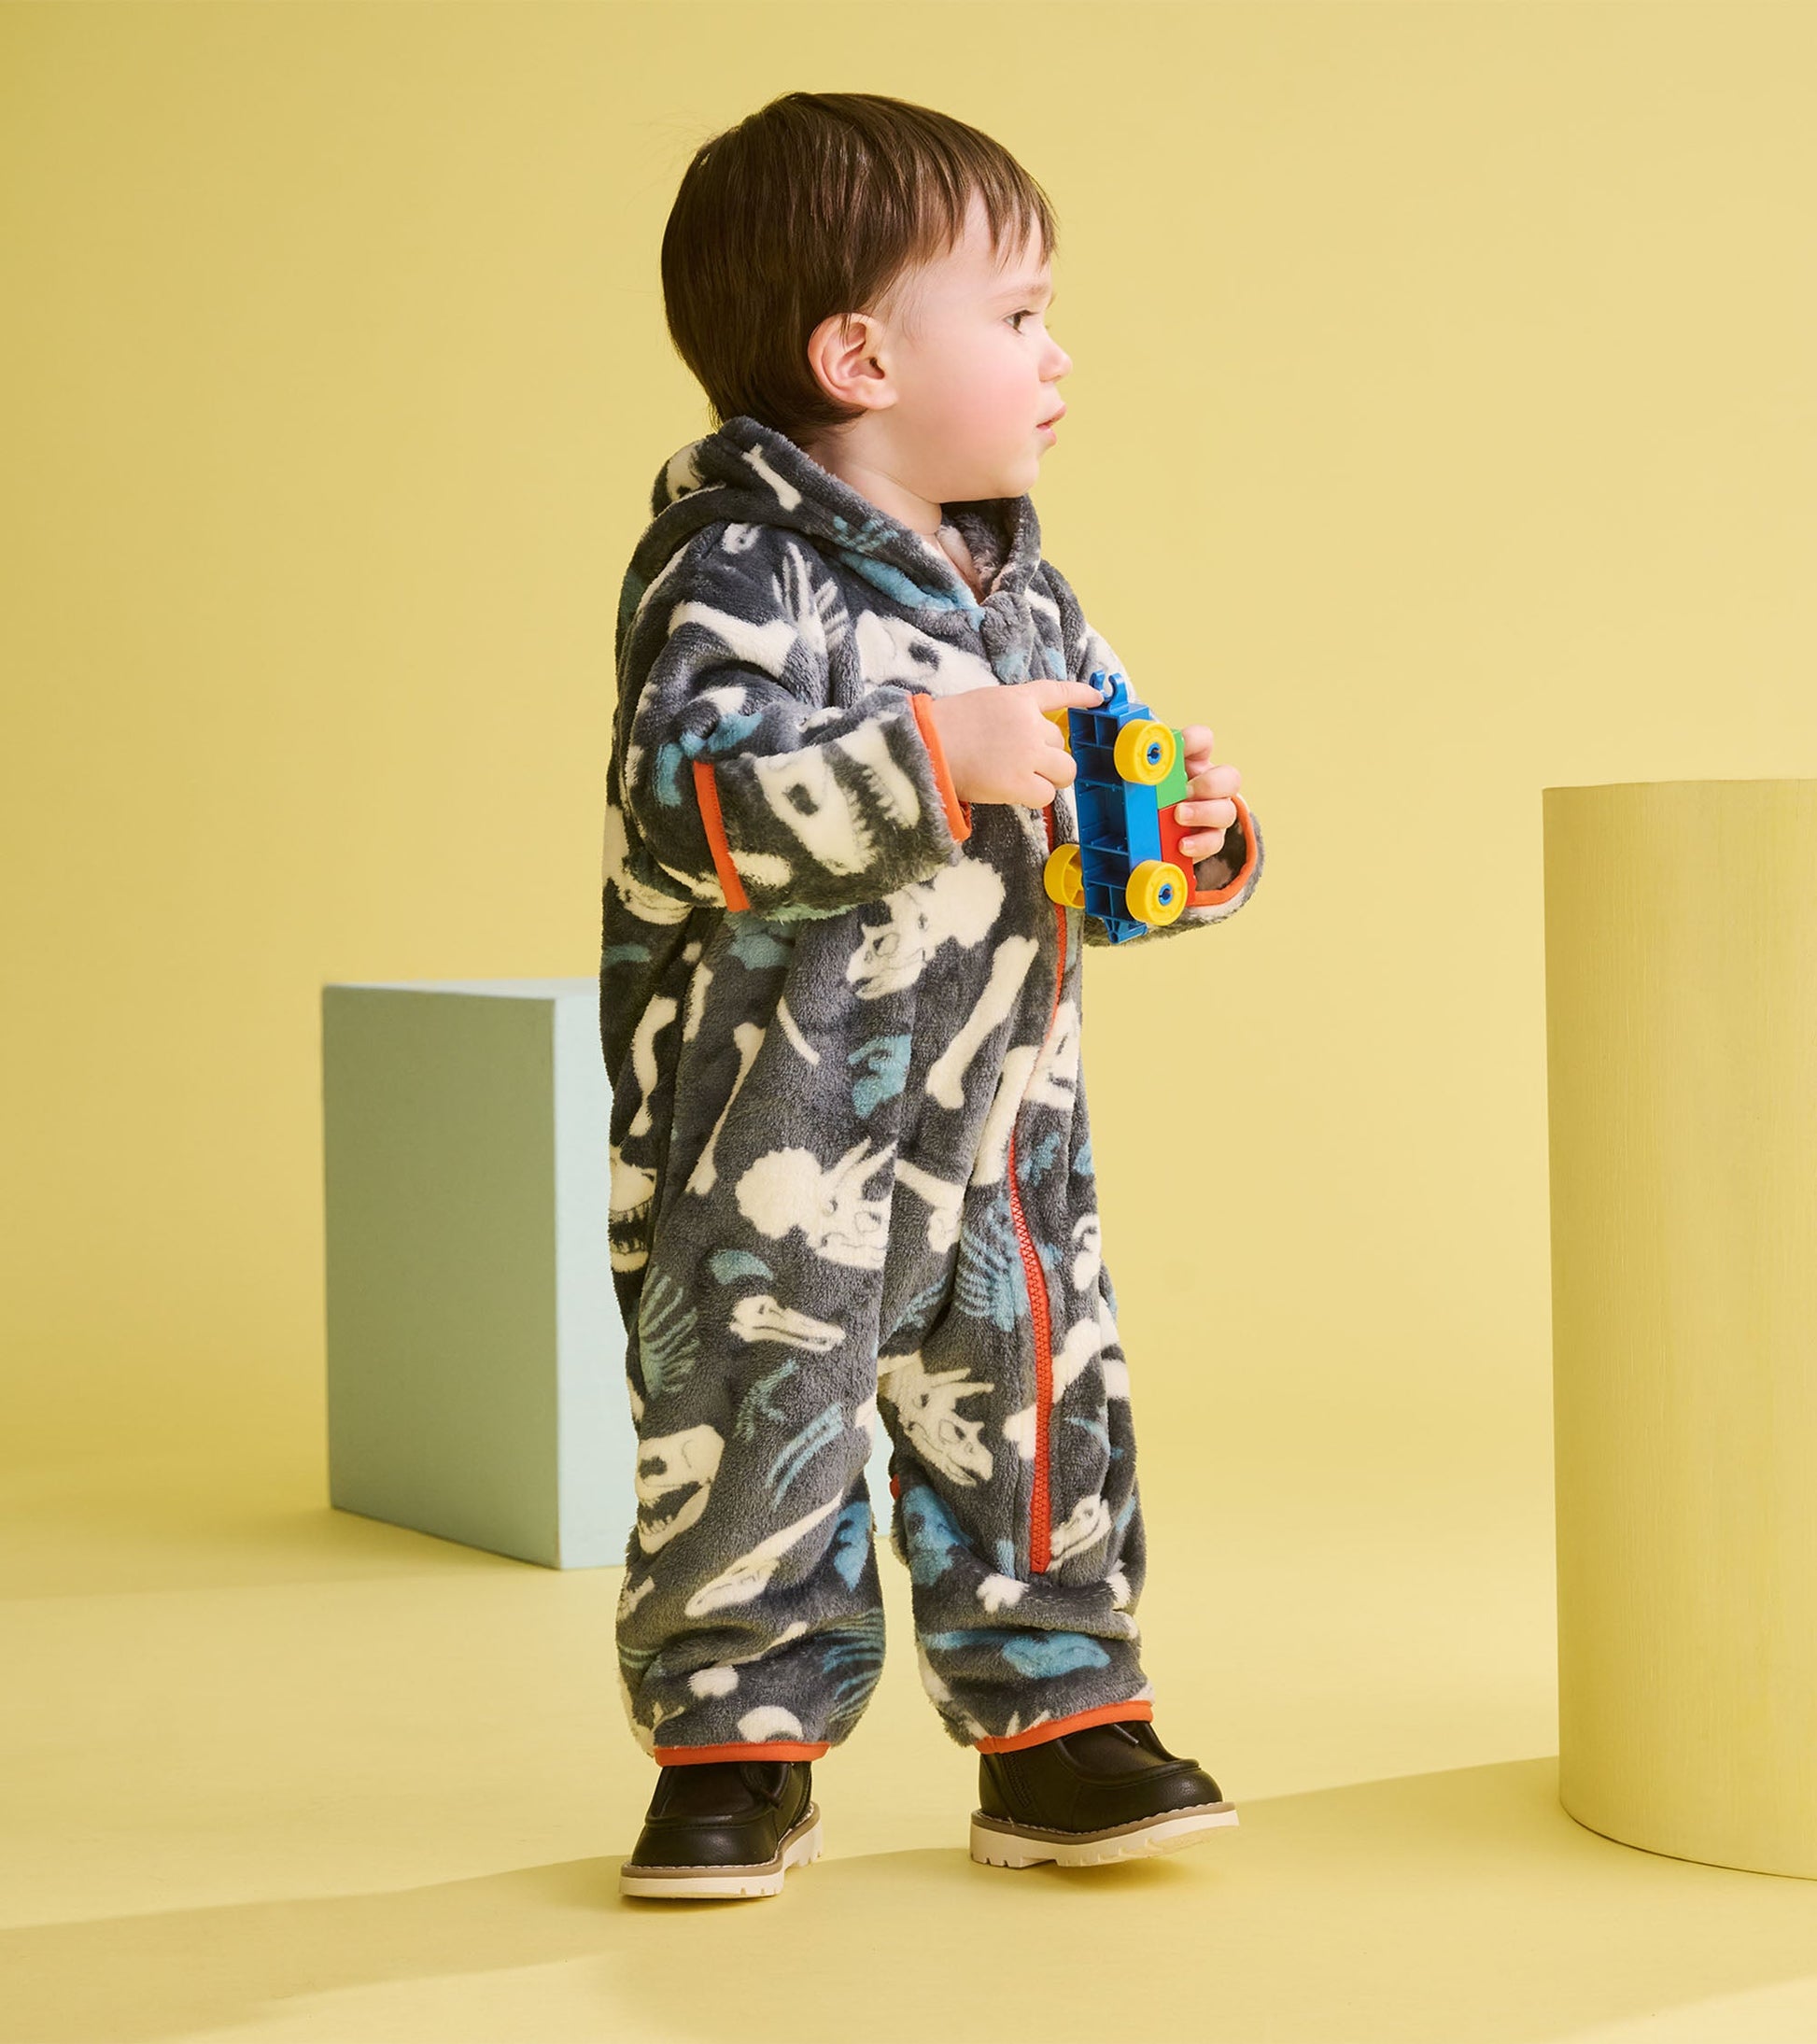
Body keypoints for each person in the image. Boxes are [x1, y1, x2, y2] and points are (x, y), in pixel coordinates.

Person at [600, 91, 1264, 1901]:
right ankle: (735, 1741)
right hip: (774, 1137)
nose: (1058, 355)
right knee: (746, 1428)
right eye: (1021, 313)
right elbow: (684, 812)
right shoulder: (734, 565)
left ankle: (1059, 1724)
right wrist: (924, 756)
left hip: (1001, 1122)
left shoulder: (1031, 597)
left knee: (1045, 1407)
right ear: (859, 354)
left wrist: (1185, 840)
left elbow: (1091, 842)